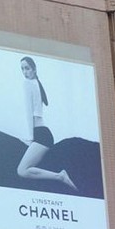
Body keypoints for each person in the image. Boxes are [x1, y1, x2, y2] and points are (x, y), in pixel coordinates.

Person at [16, 56, 77, 191]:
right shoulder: (36, 83)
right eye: (22, 69)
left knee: (22, 170)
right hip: (44, 133)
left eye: (27, 68)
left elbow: (29, 113)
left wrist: (31, 137)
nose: (25, 72)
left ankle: (59, 176)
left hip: (40, 135)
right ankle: (59, 176)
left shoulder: (27, 84)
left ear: (34, 69)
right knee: (24, 169)